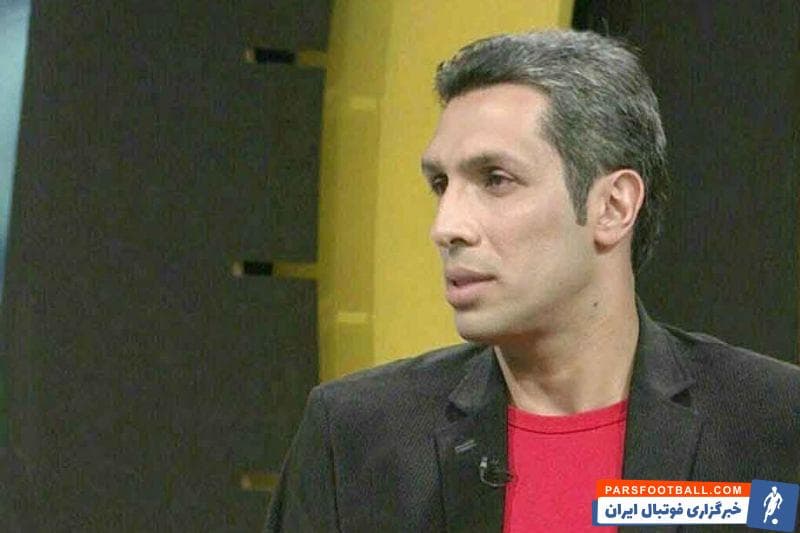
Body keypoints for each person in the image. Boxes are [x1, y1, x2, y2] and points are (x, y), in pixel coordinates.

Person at [264, 29, 800, 532]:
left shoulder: (775, 424)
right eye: (441, 183)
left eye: (496, 179)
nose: (446, 227)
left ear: (613, 207)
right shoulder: (354, 439)